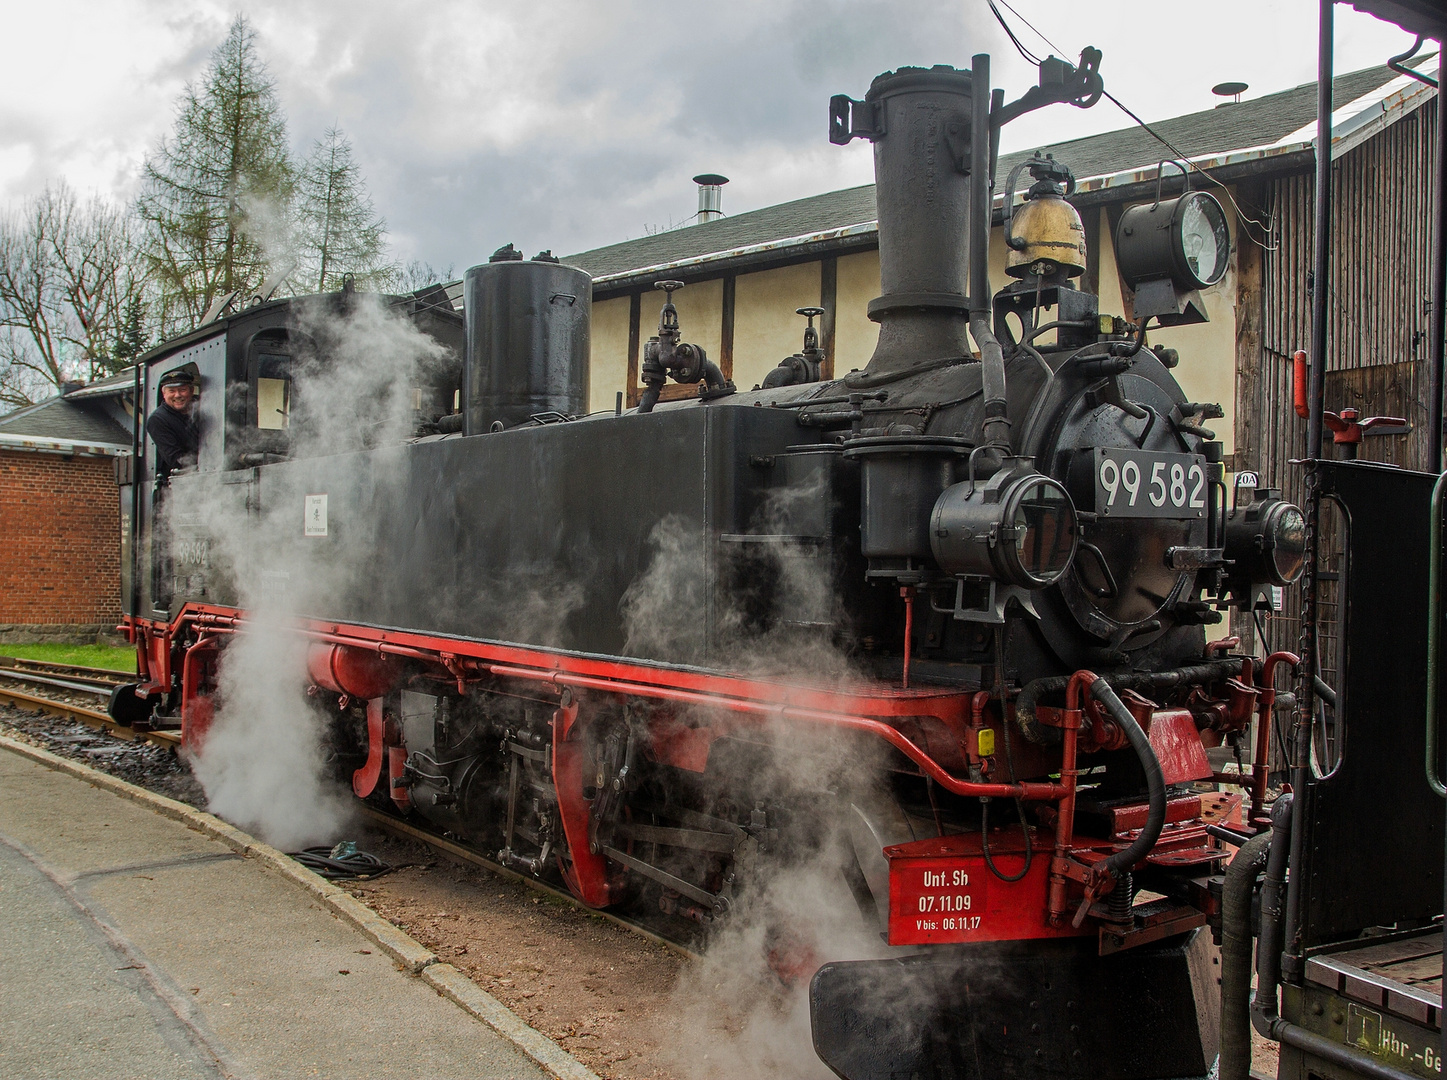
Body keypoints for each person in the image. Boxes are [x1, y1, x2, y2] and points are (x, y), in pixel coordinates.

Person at [146, 366, 200, 480]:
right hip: (179, 483)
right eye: (172, 391)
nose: (177, 395)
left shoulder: (203, 407)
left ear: (191, 391)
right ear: (164, 394)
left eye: (182, 390)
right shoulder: (157, 420)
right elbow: (177, 459)